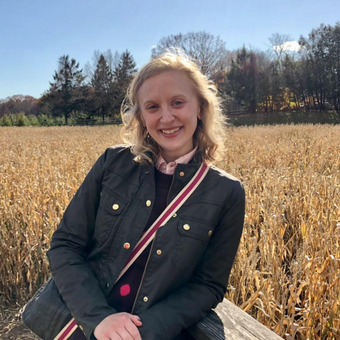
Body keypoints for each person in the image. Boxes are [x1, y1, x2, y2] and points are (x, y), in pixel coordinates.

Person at [47, 52, 245, 340]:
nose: (166, 117)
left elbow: (208, 285)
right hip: (83, 329)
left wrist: (146, 329)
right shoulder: (112, 163)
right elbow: (65, 244)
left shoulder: (227, 193)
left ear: (200, 108)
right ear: (140, 116)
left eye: (178, 102)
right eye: (152, 107)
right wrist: (98, 318)